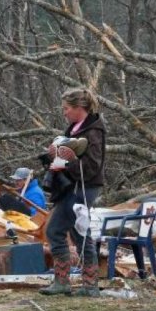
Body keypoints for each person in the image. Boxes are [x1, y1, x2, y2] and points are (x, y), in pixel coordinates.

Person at [40, 88, 106, 297]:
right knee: (80, 234)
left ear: (79, 108)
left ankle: (63, 282)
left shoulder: (93, 132)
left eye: (67, 108)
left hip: (81, 188)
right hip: (74, 187)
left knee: (54, 231)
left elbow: (91, 167)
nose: (64, 112)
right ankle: (89, 285)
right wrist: (53, 156)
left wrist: (67, 160)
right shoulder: (76, 129)